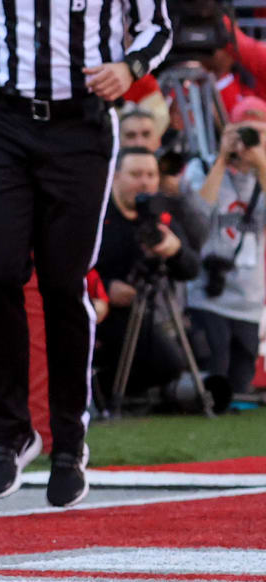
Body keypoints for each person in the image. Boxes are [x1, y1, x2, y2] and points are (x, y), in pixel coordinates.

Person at [0, 0, 171, 510]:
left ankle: (68, 439)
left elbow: (158, 26)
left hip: (81, 130)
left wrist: (129, 65)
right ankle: (9, 434)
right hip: (9, 121)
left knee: (61, 283)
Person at [94, 148, 201, 402]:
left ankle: (107, 390)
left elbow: (191, 270)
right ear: (116, 176)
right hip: (100, 311)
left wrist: (174, 251)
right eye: (136, 174)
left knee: (173, 362)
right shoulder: (98, 216)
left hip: (145, 311)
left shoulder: (160, 218)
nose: (145, 182)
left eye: (151, 175)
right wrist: (106, 288)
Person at [185, 103, 266, 398]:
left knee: (241, 390)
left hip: (249, 301)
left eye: (259, 133)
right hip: (208, 297)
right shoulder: (203, 167)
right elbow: (196, 217)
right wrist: (221, 159)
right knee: (213, 388)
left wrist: (261, 164)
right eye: (245, 132)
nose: (250, 141)